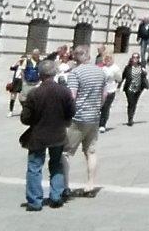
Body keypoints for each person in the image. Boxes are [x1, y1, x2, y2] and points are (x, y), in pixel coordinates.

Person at [20, 58, 74, 211]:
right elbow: (71, 112)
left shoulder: (34, 94)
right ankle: (56, 196)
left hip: (38, 135)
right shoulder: (64, 91)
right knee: (56, 164)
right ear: (54, 73)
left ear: (40, 74)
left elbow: (25, 118)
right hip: (58, 133)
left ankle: (34, 201)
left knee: (34, 167)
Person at [64, 47, 106, 197]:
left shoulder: (75, 73)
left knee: (66, 152)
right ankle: (90, 184)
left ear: (75, 57)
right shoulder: (100, 72)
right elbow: (104, 94)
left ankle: (64, 186)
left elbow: (72, 96)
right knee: (91, 151)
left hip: (78, 117)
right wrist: (97, 108)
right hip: (94, 117)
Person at [120, 53, 149, 126]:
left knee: (134, 103)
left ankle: (132, 117)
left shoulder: (141, 66)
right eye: (134, 57)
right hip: (129, 88)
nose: (135, 59)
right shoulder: (128, 67)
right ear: (131, 58)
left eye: (137, 57)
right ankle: (130, 119)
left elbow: (144, 76)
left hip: (138, 88)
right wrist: (119, 85)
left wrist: (144, 72)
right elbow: (123, 76)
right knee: (130, 103)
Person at [98, 54, 120, 133]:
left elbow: (119, 78)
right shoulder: (101, 67)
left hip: (110, 90)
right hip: (100, 90)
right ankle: (97, 123)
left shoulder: (115, 68)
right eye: (106, 59)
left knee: (105, 107)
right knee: (99, 107)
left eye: (109, 59)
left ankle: (102, 124)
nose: (107, 61)